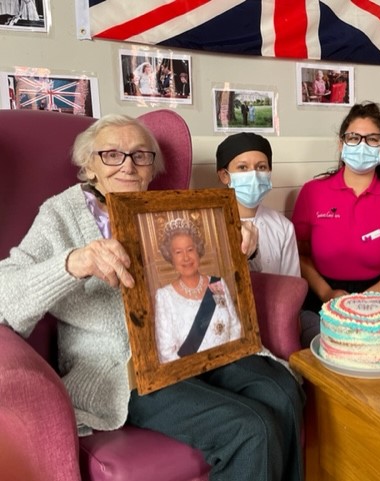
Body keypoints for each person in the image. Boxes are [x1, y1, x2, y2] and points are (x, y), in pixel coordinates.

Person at [0, 114, 304, 481]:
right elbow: (6, 295)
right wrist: (74, 263)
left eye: (140, 156)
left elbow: (219, 286)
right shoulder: (59, 215)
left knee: (284, 392)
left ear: (151, 168)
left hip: (198, 348)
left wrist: (243, 252)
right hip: (124, 368)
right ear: (89, 166)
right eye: (111, 154)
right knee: (250, 428)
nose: (127, 165)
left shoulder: (172, 210)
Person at [292, 102, 380, 348]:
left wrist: (367, 300)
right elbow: (299, 255)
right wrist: (327, 294)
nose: (362, 145)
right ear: (341, 144)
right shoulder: (312, 193)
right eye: (353, 138)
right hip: (322, 293)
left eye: (371, 139)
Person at [155, 218, 242, 363]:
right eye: (178, 252)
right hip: (194, 377)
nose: (186, 257)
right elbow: (166, 354)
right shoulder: (164, 296)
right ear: (171, 258)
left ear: (198, 251)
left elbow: (235, 326)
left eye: (190, 249)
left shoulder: (217, 284)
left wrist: (229, 359)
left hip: (230, 363)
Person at [216, 132, 300, 277]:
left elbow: (292, 286)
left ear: (269, 172)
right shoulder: (211, 225)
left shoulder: (283, 228)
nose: (253, 175)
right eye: (242, 167)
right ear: (224, 175)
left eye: (261, 167)